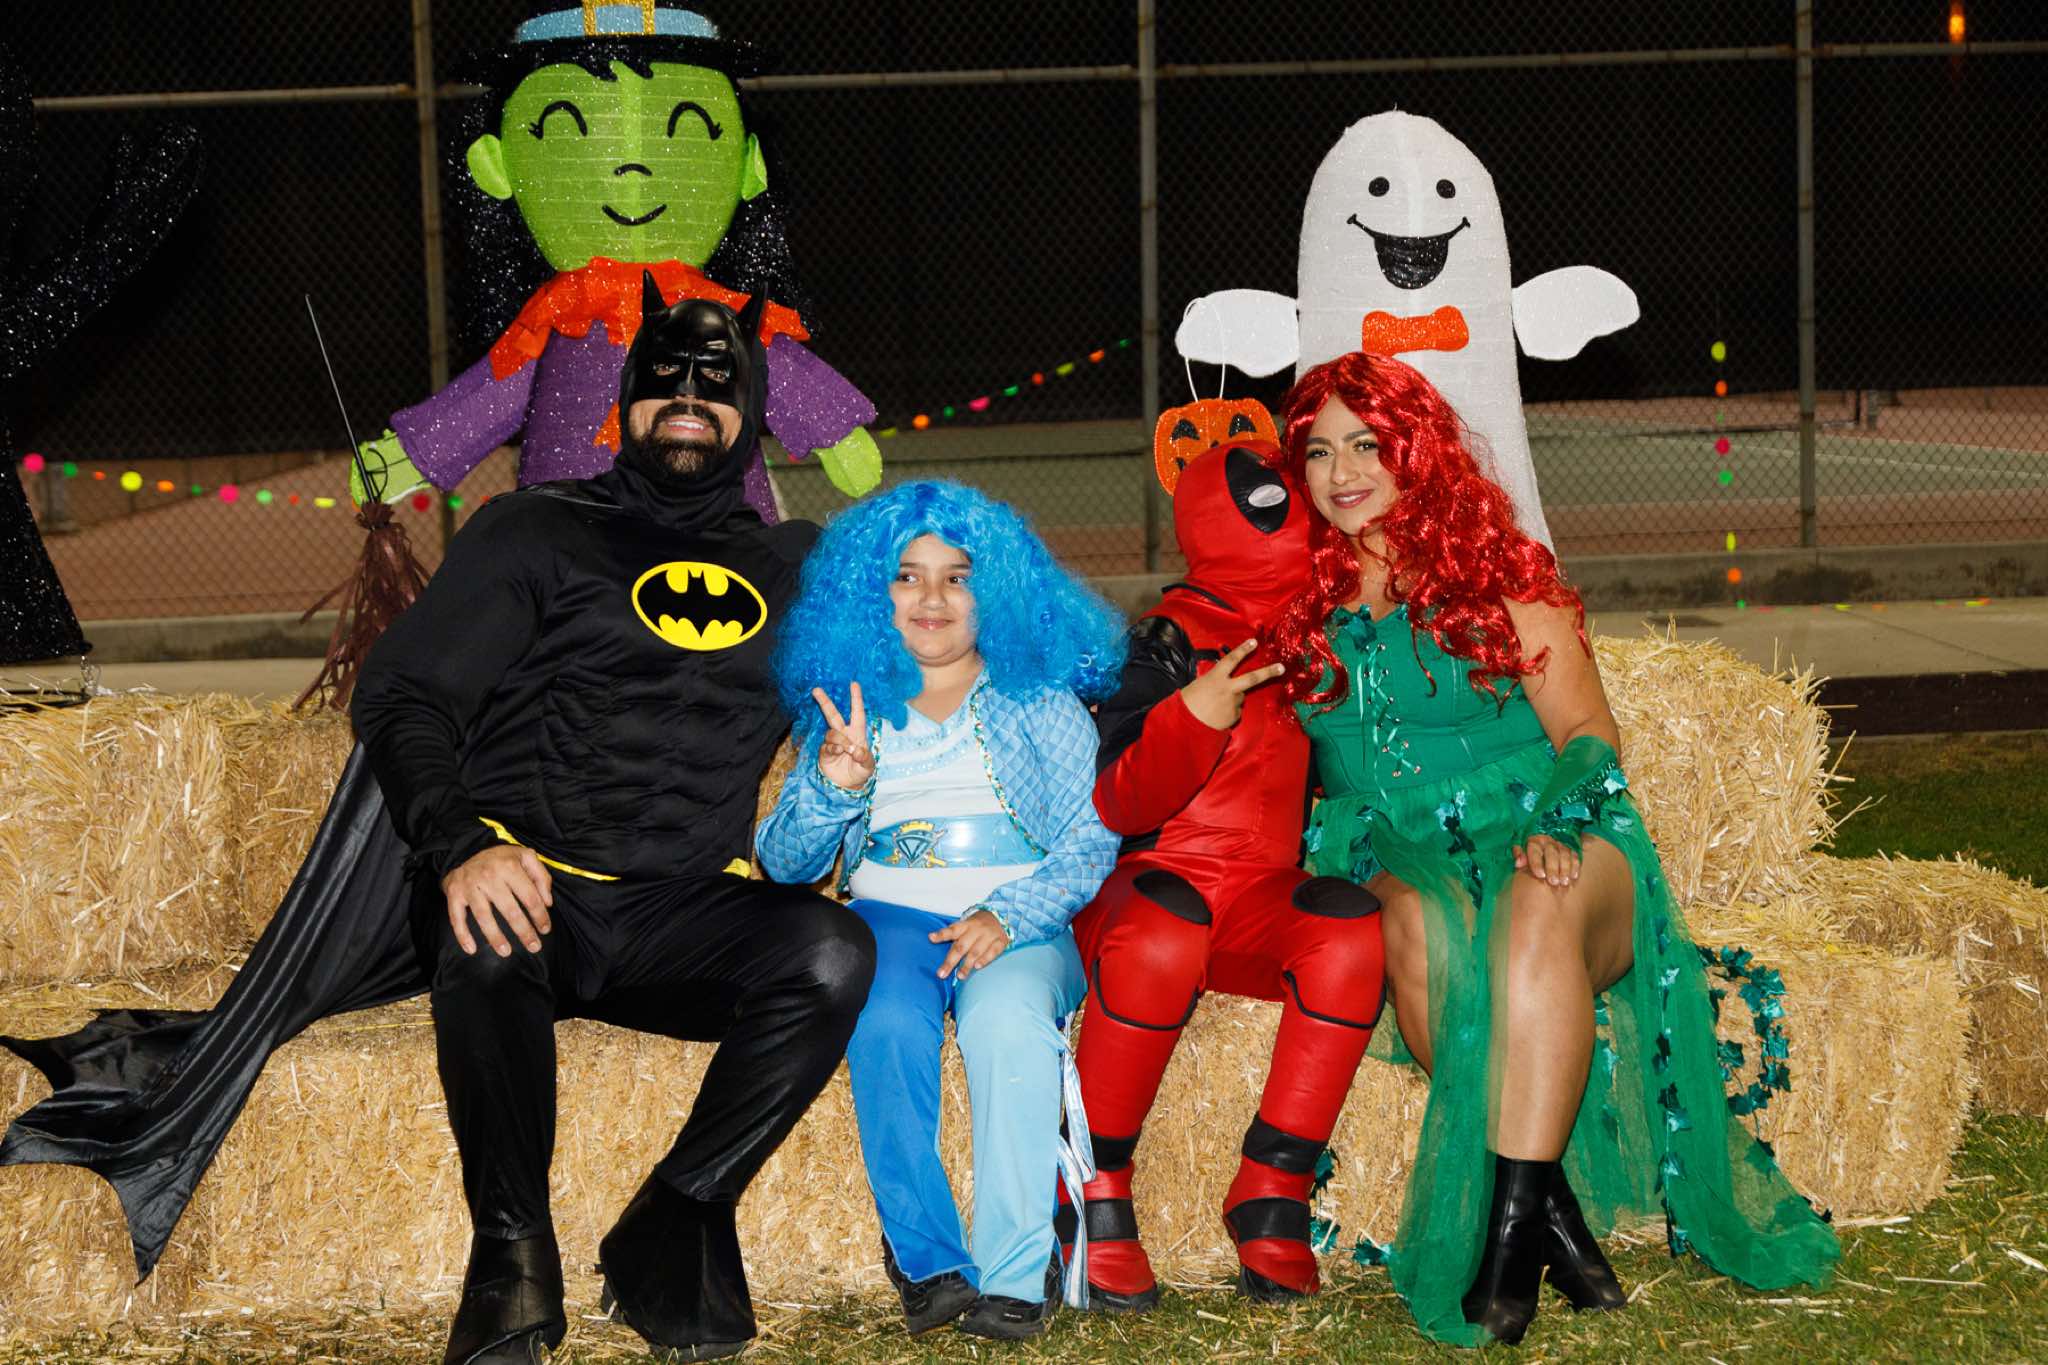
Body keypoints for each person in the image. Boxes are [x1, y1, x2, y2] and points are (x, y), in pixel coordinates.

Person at [1265, 351, 1840, 1347]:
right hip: (1397, 849)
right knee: (1414, 923)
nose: (1340, 471)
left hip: (1555, 823)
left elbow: (1587, 733)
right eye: (1317, 451)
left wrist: (1559, 819)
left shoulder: (1495, 569)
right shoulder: (1294, 594)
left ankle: (1504, 1246)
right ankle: (1551, 1219)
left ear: (1416, 450)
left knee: (1533, 903)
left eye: (1366, 444)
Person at [756, 480, 1124, 1340]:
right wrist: (833, 785)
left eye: (957, 577)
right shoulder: (848, 711)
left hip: (1020, 923)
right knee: (881, 1015)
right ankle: (926, 1258)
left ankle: (1017, 1268)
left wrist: (1011, 913)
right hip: (889, 916)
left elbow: (1090, 840)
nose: (931, 597)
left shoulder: (1040, 702)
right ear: (868, 593)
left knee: (1006, 1023)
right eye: (907, 575)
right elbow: (784, 862)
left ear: (999, 594)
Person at [1062, 439, 1386, 1310]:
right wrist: (1192, 718)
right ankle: (1091, 1179)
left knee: (1350, 929)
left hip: (1254, 895)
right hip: (1149, 881)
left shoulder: (1319, 635)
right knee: (1164, 933)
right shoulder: (1163, 639)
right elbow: (1115, 799)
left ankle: (1273, 1182)